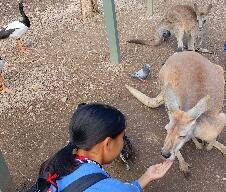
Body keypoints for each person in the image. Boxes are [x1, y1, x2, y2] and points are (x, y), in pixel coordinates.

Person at [36, 103, 173, 192]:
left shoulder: (59, 163)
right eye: (122, 138)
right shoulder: (106, 187)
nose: (123, 143)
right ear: (107, 144)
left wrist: (147, 176)